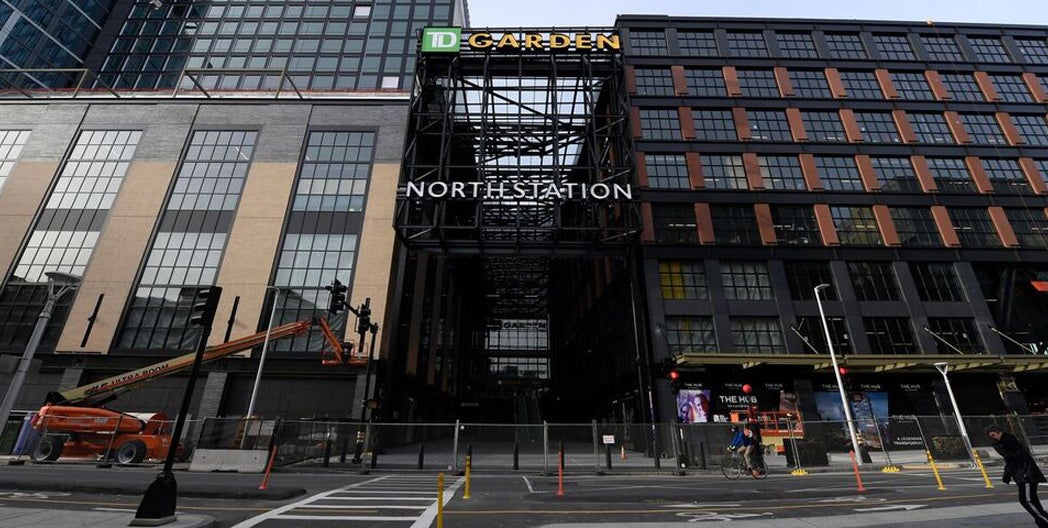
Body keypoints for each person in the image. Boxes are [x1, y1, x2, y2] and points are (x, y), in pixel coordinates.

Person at [988, 425, 1048, 528]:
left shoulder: (1008, 441)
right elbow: (1009, 459)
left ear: (999, 432)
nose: (993, 438)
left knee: (1026, 500)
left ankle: (1043, 520)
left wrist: (1008, 474)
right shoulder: (1006, 442)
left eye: (993, 435)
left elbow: (1013, 458)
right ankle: (1041, 521)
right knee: (1032, 500)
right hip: (1024, 474)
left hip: (1025, 475)